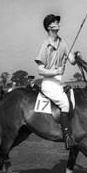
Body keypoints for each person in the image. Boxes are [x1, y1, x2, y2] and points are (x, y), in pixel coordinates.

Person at [34, 14, 80, 149]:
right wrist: (55, 72)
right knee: (65, 104)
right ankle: (67, 137)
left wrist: (77, 56)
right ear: (49, 27)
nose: (58, 23)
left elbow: (71, 60)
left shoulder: (63, 42)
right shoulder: (45, 45)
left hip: (59, 83)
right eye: (54, 21)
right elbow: (40, 70)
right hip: (48, 83)